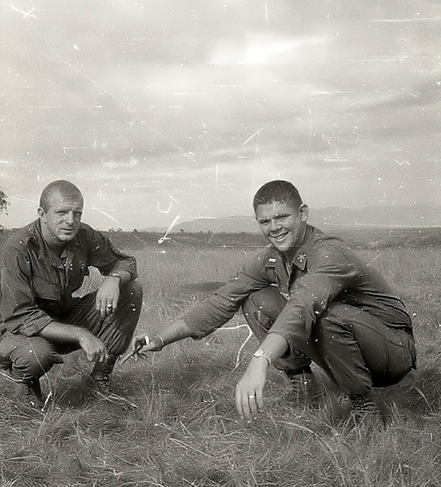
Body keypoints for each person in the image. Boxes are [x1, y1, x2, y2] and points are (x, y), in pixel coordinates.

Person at [122, 180, 416, 423]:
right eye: (265, 221)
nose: (274, 227)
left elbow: (301, 309)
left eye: (282, 217)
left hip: (390, 352)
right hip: (350, 348)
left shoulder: (328, 253)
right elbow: (221, 301)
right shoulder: (272, 258)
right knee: (255, 299)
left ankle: (362, 406)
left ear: (303, 213)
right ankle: (302, 385)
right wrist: (159, 339)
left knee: (326, 315)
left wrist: (259, 362)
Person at [0, 180, 142, 408]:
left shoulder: (83, 235)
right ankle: (22, 383)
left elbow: (124, 262)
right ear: (42, 214)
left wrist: (113, 279)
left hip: (59, 319)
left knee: (131, 290)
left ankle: (99, 379)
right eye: (62, 213)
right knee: (35, 353)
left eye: (77, 213)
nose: (71, 221)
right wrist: (82, 335)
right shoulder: (18, 248)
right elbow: (21, 316)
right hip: (14, 331)